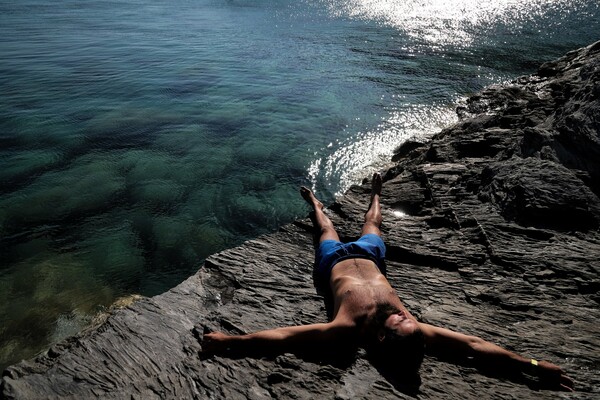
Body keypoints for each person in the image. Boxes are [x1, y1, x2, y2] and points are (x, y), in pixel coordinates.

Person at [200, 173, 574, 391]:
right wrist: (535, 363)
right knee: (374, 225)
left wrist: (231, 342)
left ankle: (315, 202)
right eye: (407, 318)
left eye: (401, 320)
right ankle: (377, 192)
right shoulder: (414, 333)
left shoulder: (348, 327)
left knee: (325, 227)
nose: (405, 315)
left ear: (383, 337)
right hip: (371, 255)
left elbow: (286, 337)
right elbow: (475, 345)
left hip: (334, 262)